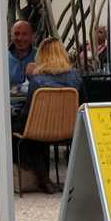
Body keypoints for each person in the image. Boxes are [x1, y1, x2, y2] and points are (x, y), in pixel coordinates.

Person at [18, 37, 84, 192]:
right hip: (70, 129)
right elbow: (83, 105)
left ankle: (43, 178)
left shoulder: (37, 80)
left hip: (41, 129)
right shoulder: (76, 77)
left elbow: (29, 112)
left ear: (41, 56)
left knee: (27, 134)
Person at [8, 19, 36, 90]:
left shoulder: (41, 57)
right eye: (16, 34)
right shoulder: (2, 59)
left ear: (32, 36)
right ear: (11, 36)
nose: (20, 38)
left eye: (24, 34)